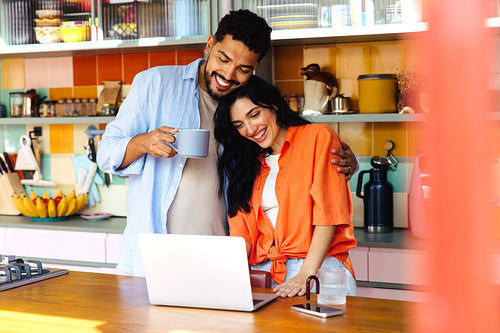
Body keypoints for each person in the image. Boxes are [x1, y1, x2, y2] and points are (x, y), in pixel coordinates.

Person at [97, 9, 358, 277]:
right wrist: (142, 143)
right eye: (223, 58)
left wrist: (347, 161)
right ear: (210, 45)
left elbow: (291, 149)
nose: (228, 74)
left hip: (220, 258)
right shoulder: (156, 84)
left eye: (244, 69)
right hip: (155, 254)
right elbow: (106, 154)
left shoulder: (246, 102)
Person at [214, 75, 357, 298]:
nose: (250, 129)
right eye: (239, 125)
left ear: (273, 104)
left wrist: (305, 274)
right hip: (262, 274)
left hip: (319, 269)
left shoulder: (318, 137)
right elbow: (242, 230)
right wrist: (228, 276)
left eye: (254, 114)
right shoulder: (245, 163)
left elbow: (328, 214)